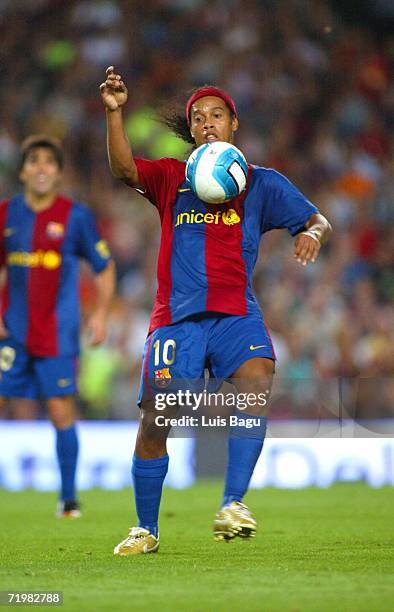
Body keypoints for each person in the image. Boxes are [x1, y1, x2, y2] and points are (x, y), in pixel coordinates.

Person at [100, 66, 332, 555]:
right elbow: (123, 171)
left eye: (217, 116)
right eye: (199, 118)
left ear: (234, 124)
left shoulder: (261, 184)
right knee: (157, 420)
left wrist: (310, 233)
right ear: (191, 130)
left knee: (257, 377)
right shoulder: (171, 178)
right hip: (177, 319)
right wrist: (115, 114)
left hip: (234, 313)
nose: (207, 124)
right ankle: (146, 528)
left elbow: (315, 218)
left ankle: (233, 503)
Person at [0, 135, 115, 517]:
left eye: (50, 161)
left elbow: (104, 266)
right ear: (22, 171)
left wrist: (99, 314)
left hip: (57, 335)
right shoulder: (6, 214)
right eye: (34, 160)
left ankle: (68, 499)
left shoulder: (75, 216)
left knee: (60, 411)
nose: (42, 167)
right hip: (12, 331)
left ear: (60, 173)